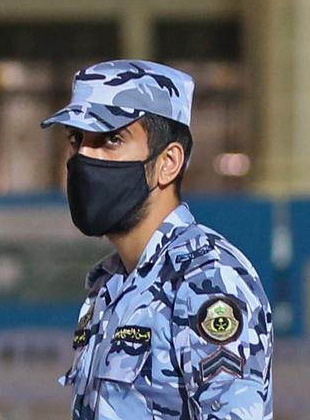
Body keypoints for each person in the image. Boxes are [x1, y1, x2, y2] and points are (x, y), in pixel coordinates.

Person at [41, 60, 273, 419]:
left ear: (168, 162)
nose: (84, 157)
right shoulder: (111, 285)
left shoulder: (206, 281)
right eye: (77, 140)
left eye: (110, 139)